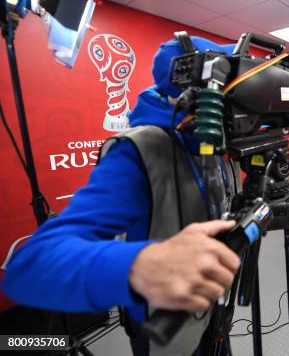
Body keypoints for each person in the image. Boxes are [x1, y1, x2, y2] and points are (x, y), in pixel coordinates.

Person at [2, 36, 242, 355]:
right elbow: (32, 265)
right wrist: (139, 267)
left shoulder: (214, 144)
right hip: (162, 330)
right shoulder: (137, 152)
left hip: (213, 313)